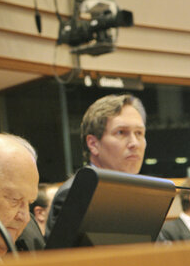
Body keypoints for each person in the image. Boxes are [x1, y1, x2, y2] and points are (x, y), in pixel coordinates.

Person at [45, 94, 146, 238]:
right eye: (121, 132)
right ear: (93, 144)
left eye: (139, 133)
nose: (134, 143)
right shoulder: (76, 192)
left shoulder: (144, 192)